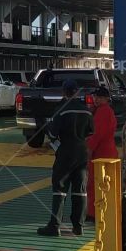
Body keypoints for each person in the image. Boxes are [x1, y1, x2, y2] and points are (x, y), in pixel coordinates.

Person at [37, 79, 92, 237]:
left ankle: (54, 226)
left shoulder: (61, 110)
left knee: (59, 188)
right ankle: (78, 226)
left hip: (66, 152)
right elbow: (90, 131)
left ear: (64, 92)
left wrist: (44, 126)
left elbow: (53, 134)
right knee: (80, 190)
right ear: (76, 92)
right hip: (82, 152)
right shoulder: (86, 111)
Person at [85, 88, 119, 220]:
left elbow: (98, 133)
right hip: (109, 151)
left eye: (99, 97)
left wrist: (89, 148)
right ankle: (106, 211)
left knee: (95, 183)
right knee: (106, 184)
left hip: (101, 154)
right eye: (95, 97)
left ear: (106, 99)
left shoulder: (102, 111)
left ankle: (94, 213)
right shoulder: (108, 111)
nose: (96, 99)